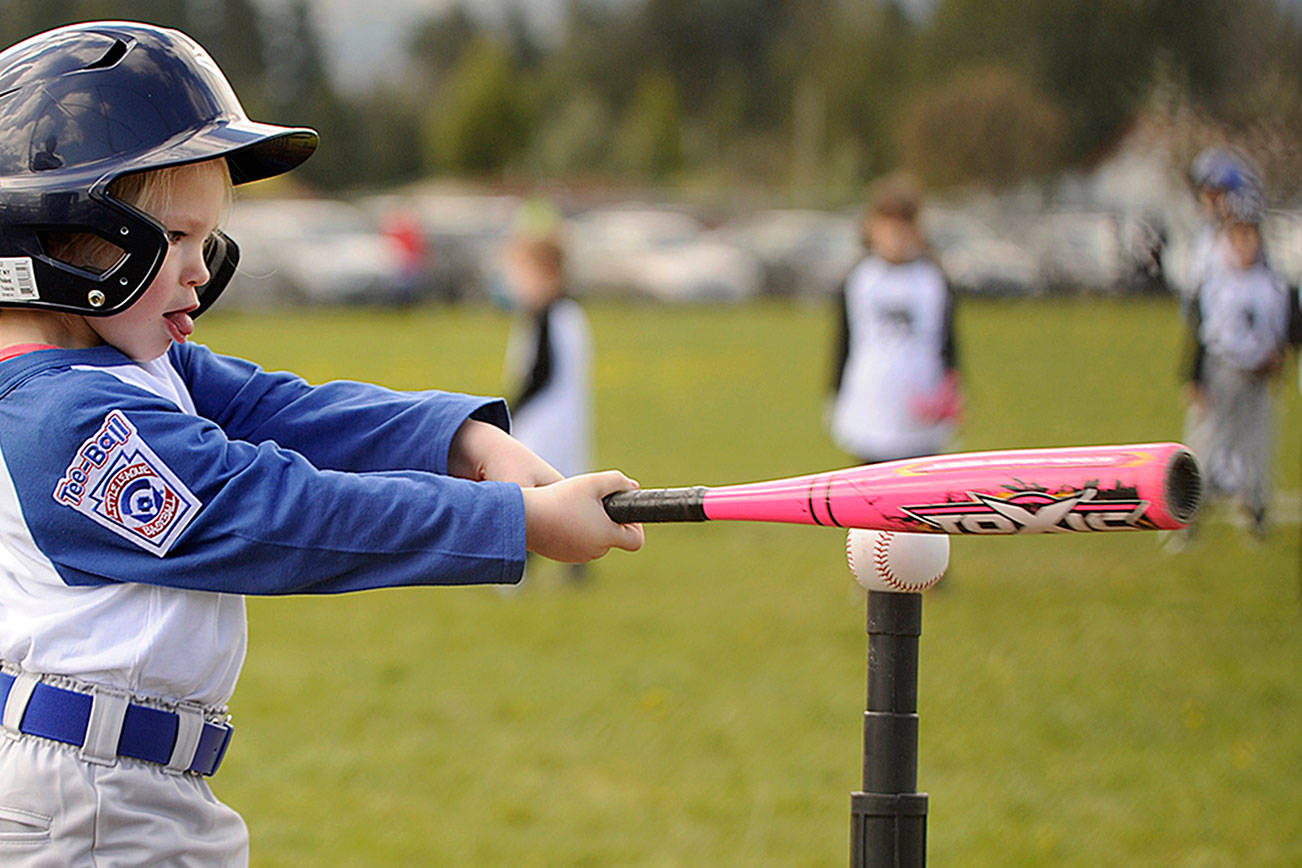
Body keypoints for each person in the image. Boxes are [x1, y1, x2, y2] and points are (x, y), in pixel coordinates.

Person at [0, 22, 642, 865]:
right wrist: (511, 522)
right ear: (60, 236)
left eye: (208, 241)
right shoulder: (59, 420)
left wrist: (464, 442)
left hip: (132, 788)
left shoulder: (135, 363)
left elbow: (284, 411)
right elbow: (271, 510)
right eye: (178, 239)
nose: (201, 269)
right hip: (88, 803)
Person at [829, 174, 962, 467]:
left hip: (921, 408)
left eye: (904, 225)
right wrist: (835, 393)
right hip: (872, 402)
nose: (896, 235)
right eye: (888, 225)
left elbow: (948, 343)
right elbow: (844, 341)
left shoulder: (932, 280)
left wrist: (952, 389)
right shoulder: (860, 279)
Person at [1182, 185, 1290, 540]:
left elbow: (1285, 330)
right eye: (1238, 234)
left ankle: (1255, 511)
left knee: (1255, 446)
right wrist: (1194, 378)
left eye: (1251, 234)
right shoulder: (1217, 283)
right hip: (1221, 372)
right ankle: (1189, 515)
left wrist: (1279, 359)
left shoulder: (1272, 285)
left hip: (1256, 378)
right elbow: (1200, 332)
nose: (1245, 243)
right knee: (1208, 444)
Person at [500, 225, 594, 583]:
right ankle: (574, 565)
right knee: (561, 487)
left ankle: (521, 569)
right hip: (556, 420)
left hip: (546, 420)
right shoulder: (557, 316)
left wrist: (512, 409)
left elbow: (540, 373)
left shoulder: (553, 318)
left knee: (534, 493)